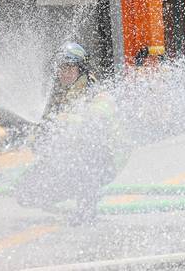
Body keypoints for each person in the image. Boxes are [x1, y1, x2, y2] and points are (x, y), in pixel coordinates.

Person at [15, 42, 126, 225]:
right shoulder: (59, 93)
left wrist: (64, 120)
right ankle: (74, 189)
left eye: (69, 67)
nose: (63, 72)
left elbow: (97, 118)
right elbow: (46, 128)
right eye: (60, 68)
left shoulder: (94, 90)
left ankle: (86, 209)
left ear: (80, 68)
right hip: (70, 159)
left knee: (88, 151)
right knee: (26, 193)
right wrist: (37, 138)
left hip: (107, 159)